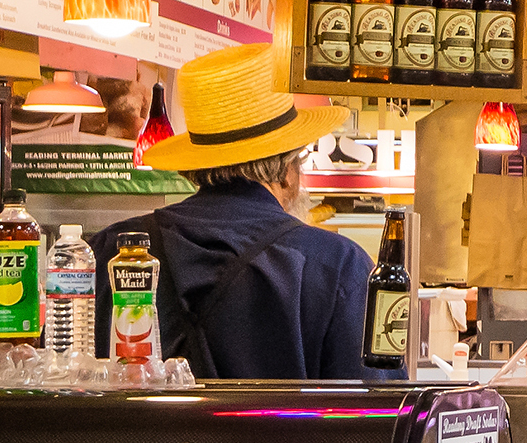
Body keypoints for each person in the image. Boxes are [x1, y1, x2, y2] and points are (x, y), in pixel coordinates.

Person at [86, 44, 374, 383]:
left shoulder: (108, 250)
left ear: (197, 165)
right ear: (286, 172)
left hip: (131, 438)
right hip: (282, 438)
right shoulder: (337, 265)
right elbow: (376, 414)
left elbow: (56, 381)